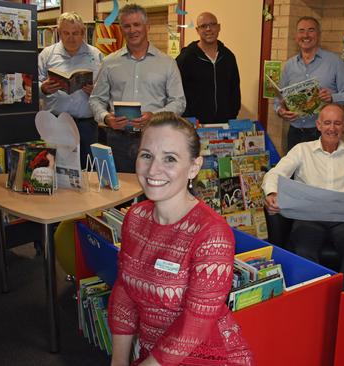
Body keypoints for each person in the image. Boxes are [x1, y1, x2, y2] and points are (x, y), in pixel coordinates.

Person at [108, 112, 254, 366]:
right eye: (147, 155)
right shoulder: (135, 217)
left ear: (194, 167)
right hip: (153, 355)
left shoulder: (212, 233)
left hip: (205, 356)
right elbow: (124, 291)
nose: (153, 169)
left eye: (170, 159)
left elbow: (195, 323)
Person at [262, 104, 344, 290]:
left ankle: (343, 297)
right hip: (308, 218)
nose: (331, 128)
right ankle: (316, 296)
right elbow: (274, 174)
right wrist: (271, 193)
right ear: (318, 125)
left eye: (337, 123)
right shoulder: (302, 150)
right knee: (304, 252)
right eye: (327, 123)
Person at [89, 4, 186, 173]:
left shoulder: (167, 63)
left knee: (153, 191)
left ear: (147, 27)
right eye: (126, 26)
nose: (132, 30)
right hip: (118, 140)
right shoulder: (109, 62)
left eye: (136, 25)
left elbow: (179, 102)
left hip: (155, 137)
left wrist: (154, 117)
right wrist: (106, 118)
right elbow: (96, 99)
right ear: (121, 29)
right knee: (121, 192)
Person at [275, 16, 344, 152]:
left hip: (323, 134)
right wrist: (280, 111)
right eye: (301, 31)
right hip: (295, 132)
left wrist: (332, 98)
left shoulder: (334, 62)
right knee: (294, 173)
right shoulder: (289, 65)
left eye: (311, 30)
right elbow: (278, 99)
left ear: (318, 35)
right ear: (296, 36)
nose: (305, 35)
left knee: (321, 173)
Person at [38, 12, 103, 168]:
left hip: (86, 125)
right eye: (66, 33)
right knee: (55, 169)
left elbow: (106, 89)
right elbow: (31, 86)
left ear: (82, 33)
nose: (70, 38)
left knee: (88, 170)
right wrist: (43, 88)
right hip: (55, 123)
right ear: (59, 33)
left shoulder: (96, 55)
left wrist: (96, 91)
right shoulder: (47, 54)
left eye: (75, 33)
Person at [176, 12, 241, 124]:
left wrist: (232, 115)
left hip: (223, 126)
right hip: (194, 126)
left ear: (219, 27)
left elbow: (234, 90)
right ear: (197, 30)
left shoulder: (228, 57)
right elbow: (176, 91)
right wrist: (186, 117)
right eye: (203, 26)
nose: (208, 29)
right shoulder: (186, 58)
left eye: (212, 24)